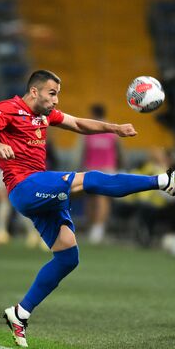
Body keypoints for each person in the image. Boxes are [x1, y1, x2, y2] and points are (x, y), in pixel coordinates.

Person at [0, 69, 175, 347]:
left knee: (68, 257)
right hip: (24, 186)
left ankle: (20, 313)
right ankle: (164, 181)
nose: (56, 100)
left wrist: (115, 128)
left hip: (39, 188)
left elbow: (78, 124)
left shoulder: (44, 115)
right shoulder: (7, 109)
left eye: (58, 95)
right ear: (34, 91)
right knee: (89, 179)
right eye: (52, 93)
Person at [76, 103, 123, 244]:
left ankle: (98, 228)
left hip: (97, 168)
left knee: (99, 199)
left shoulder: (90, 128)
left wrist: (78, 166)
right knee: (94, 199)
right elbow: (120, 151)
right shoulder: (112, 130)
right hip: (104, 168)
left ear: (94, 114)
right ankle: (95, 227)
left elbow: (81, 151)